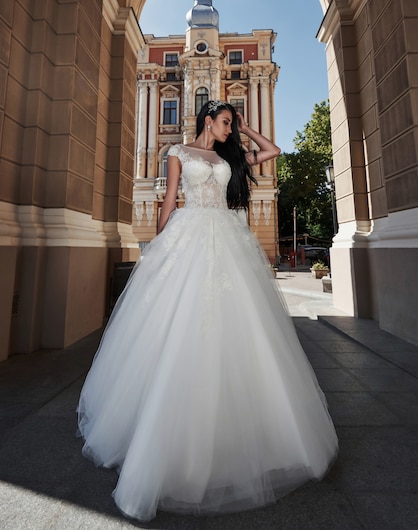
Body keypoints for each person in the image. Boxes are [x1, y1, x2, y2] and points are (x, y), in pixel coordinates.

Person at [77, 101, 338, 522]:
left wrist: (248, 129)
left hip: (227, 236)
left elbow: (273, 152)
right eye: (225, 122)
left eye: (231, 124)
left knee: (237, 324)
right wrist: (159, 243)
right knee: (180, 321)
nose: (228, 129)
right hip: (189, 235)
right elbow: (168, 202)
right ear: (207, 121)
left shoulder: (228, 157)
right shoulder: (178, 153)